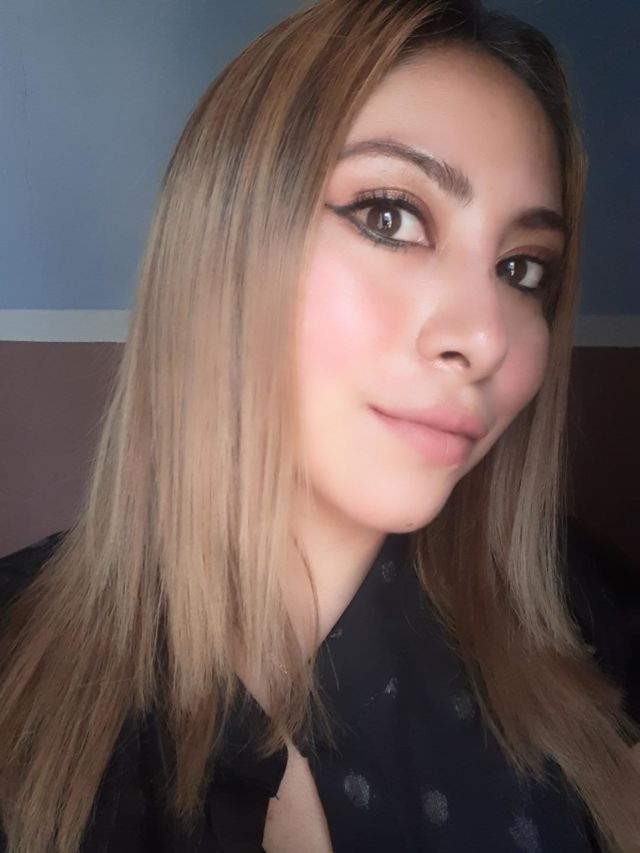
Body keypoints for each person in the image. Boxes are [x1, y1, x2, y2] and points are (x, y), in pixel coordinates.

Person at [0, 0, 638, 850]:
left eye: (522, 269)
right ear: (222, 244)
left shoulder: (582, 613)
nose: (487, 338)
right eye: (389, 216)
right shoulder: (16, 661)